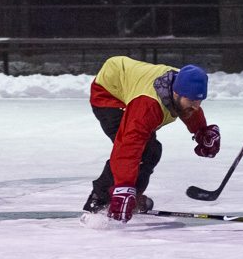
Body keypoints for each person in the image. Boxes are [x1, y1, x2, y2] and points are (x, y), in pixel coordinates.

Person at [84, 56, 221, 223]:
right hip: (108, 95)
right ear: (175, 93)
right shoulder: (147, 106)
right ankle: (99, 199)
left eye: (199, 100)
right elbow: (127, 147)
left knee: (152, 150)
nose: (196, 106)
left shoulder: (183, 87)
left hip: (130, 82)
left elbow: (189, 110)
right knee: (143, 149)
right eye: (192, 100)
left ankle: (132, 197)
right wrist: (123, 188)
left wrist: (201, 131)